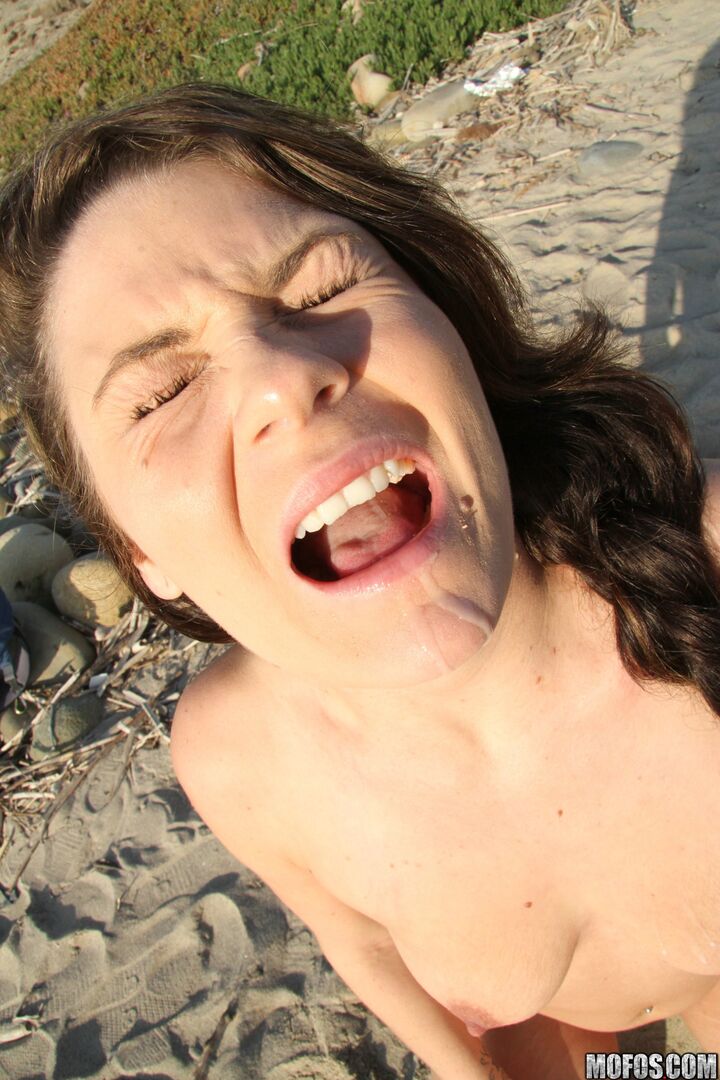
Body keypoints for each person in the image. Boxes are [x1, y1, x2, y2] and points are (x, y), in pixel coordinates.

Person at [1, 83, 719, 1079]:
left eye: (318, 292)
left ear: (448, 319)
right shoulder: (237, 763)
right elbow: (362, 945)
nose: (278, 376)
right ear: (136, 550)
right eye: (162, 392)